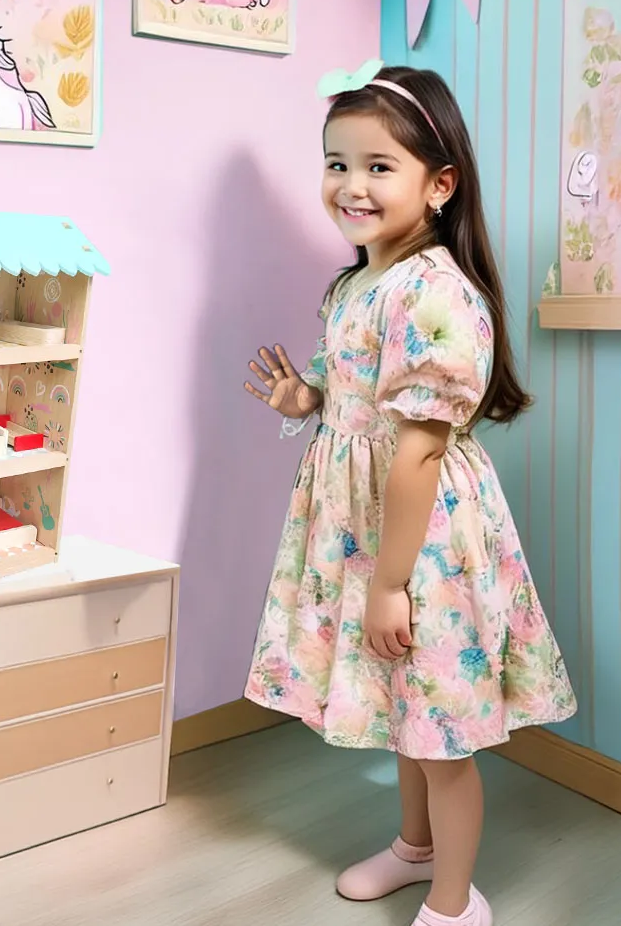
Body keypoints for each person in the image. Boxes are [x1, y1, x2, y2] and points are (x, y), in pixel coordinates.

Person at [241, 60, 577, 926]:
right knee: (403, 706)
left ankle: (455, 902)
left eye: (378, 166)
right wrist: (304, 399)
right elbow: (346, 386)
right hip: (367, 526)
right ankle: (414, 846)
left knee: (441, 729)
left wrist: (391, 582)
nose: (351, 185)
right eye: (336, 163)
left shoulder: (435, 293)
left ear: (440, 184)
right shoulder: (357, 284)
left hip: (419, 537)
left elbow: (419, 453)